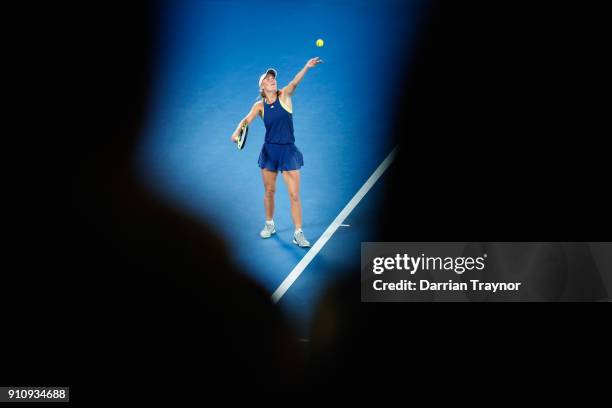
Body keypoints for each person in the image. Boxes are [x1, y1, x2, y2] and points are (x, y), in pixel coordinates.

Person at [231, 57, 323, 247]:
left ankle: (298, 233)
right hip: (269, 152)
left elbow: (294, 82)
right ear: (262, 87)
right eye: (268, 79)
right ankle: (269, 224)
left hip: (288, 152)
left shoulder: (285, 96)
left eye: (273, 78)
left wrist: (306, 66)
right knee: (269, 191)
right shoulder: (259, 106)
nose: (272, 80)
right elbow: (246, 120)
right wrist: (236, 132)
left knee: (294, 195)